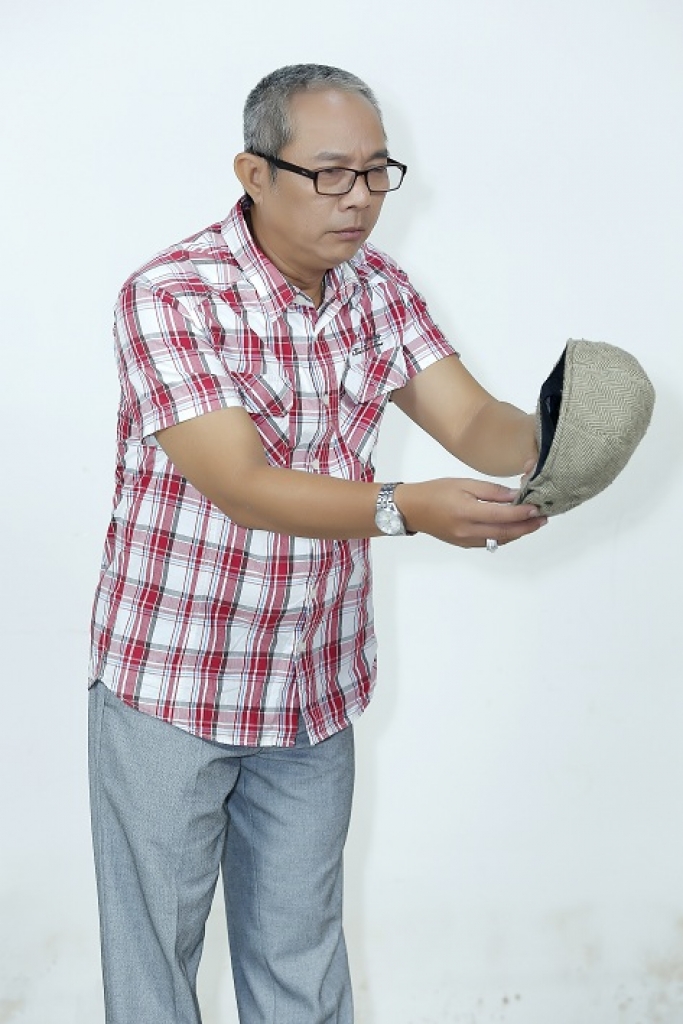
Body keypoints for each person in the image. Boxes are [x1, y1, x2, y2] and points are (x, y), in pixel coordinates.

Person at [88, 64, 546, 1024]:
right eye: (331, 173)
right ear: (253, 173)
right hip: (175, 680)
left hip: (312, 682)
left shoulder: (378, 290)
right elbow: (242, 486)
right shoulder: (172, 295)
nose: (360, 199)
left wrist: (562, 438)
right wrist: (405, 509)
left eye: (377, 172)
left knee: (300, 961)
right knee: (153, 970)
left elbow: (475, 424)